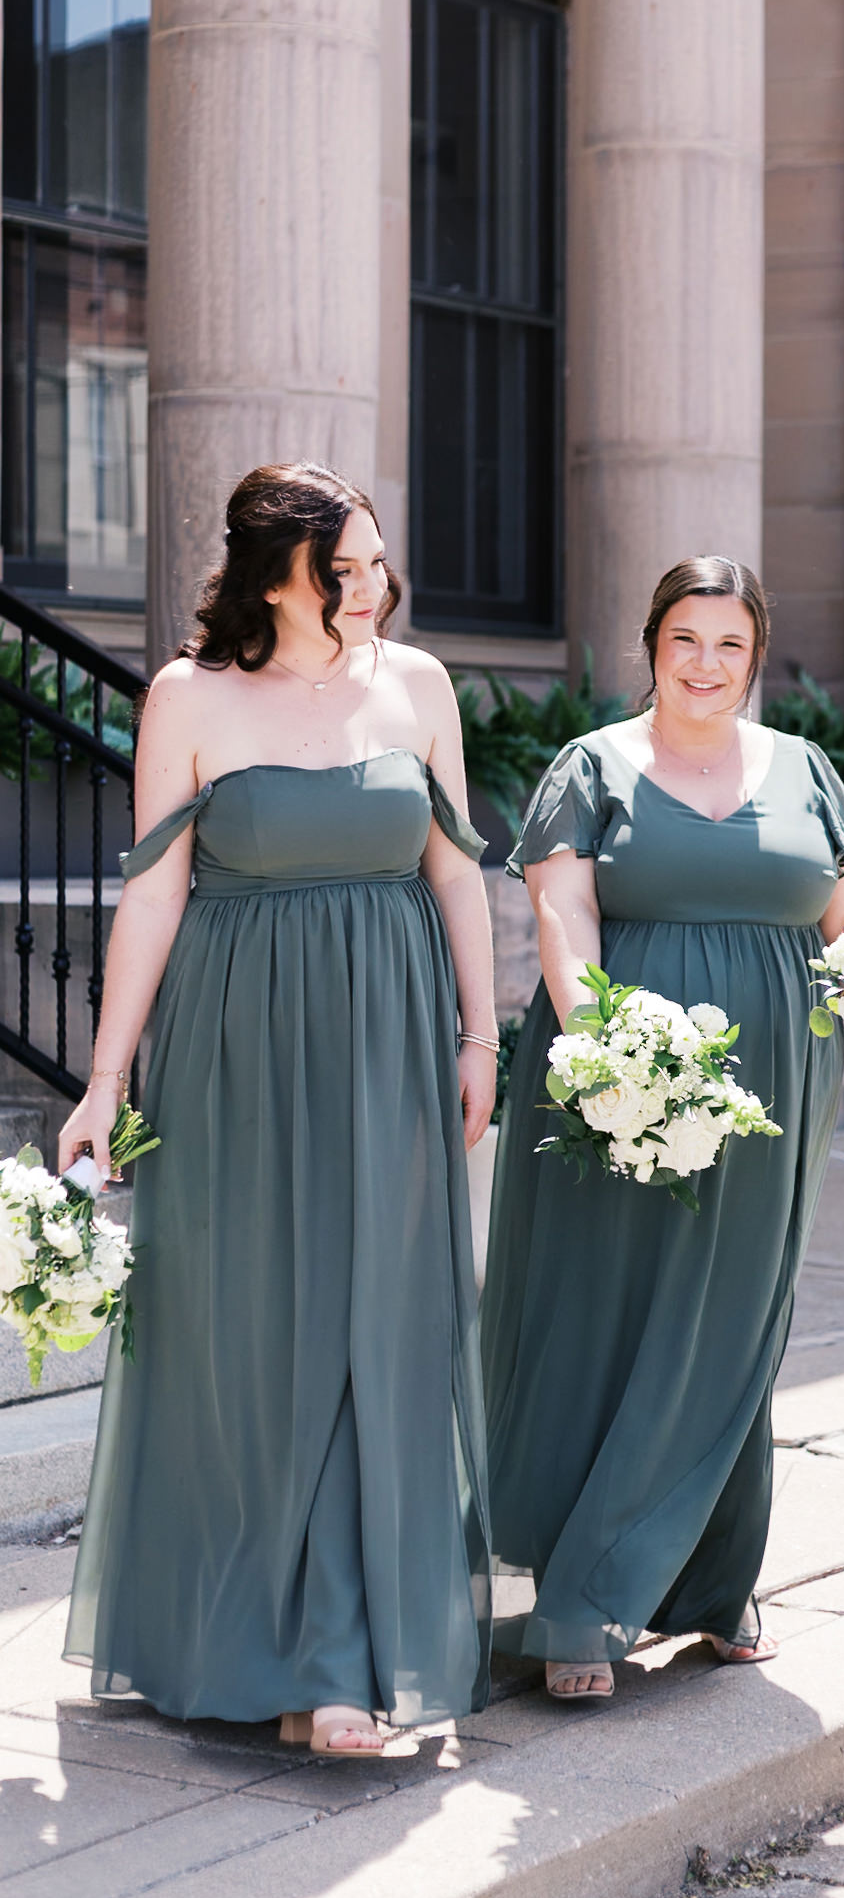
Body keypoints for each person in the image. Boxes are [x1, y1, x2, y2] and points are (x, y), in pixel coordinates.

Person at [61, 463, 496, 1757]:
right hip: (234, 1049)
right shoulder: (188, 698)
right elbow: (152, 893)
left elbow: (459, 872)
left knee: (380, 1326)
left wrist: (482, 1034)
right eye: (341, 567)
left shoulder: (415, 686)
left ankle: (341, 1659)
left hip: (391, 1040)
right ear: (273, 575)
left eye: (374, 562)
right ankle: (248, 1640)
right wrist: (103, 1076)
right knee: (250, 1331)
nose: (371, 585)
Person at [479, 556, 844, 1698]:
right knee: (605, 1320)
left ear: (755, 655)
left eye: (729, 644)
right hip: (624, 1078)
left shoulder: (807, 771)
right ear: (651, 645)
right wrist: (616, 1051)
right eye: (685, 641)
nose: (706, 665)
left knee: (730, 1325)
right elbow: (562, 920)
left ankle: (712, 1582)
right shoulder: (592, 767)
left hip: (774, 1087)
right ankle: (581, 1601)